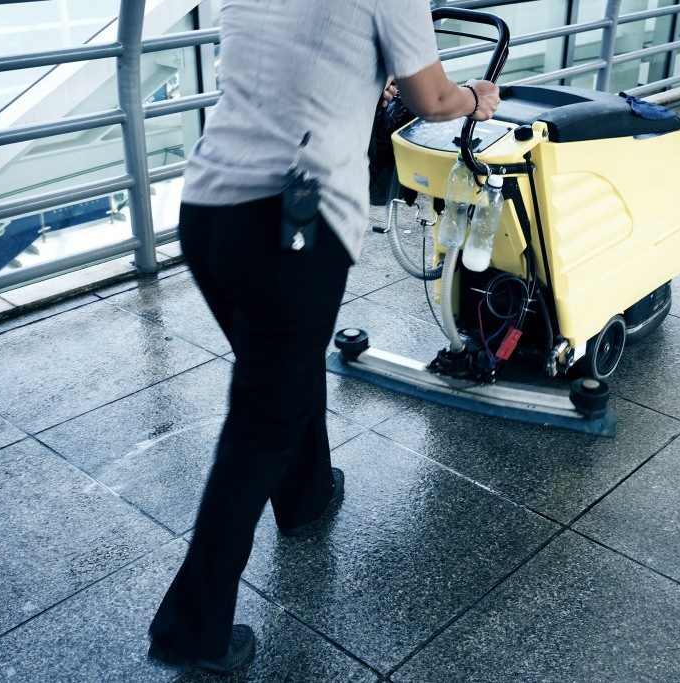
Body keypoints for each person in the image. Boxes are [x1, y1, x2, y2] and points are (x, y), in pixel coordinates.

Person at [146, 0, 501, 673]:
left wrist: (368, 77)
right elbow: (432, 97)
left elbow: (300, 63)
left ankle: (305, 493)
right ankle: (191, 626)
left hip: (209, 212)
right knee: (262, 419)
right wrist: (476, 96)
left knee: (281, 370)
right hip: (288, 223)